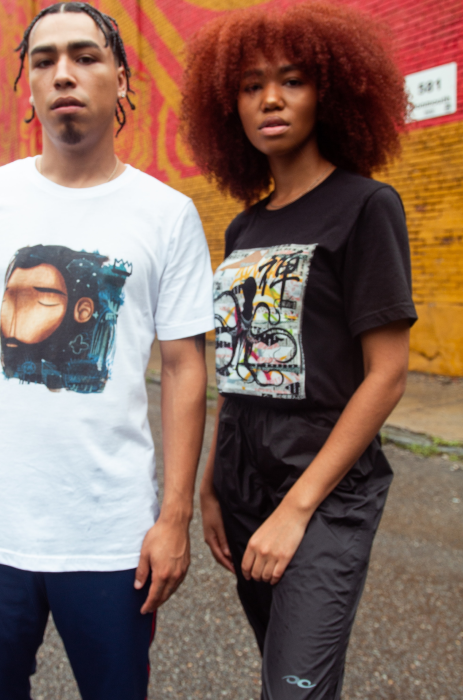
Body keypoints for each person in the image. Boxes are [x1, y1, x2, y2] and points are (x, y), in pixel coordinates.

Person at [0, 3, 214, 699]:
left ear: (122, 79)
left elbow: (183, 367)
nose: (63, 74)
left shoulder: (167, 214)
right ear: (29, 86)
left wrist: (173, 519)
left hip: (111, 535)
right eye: (44, 61)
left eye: (84, 56)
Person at [181, 3, 417, 699]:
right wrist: (210, 482)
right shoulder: (244, 229)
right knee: (280, 668)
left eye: (291, 80)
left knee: (294, 686)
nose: (270, 100)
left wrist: (295, 510)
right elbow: (235, 363)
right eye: (250, 86)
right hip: (241, 477)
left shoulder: (366, 206)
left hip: (322, 484)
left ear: (330, 92)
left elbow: (387, 375)